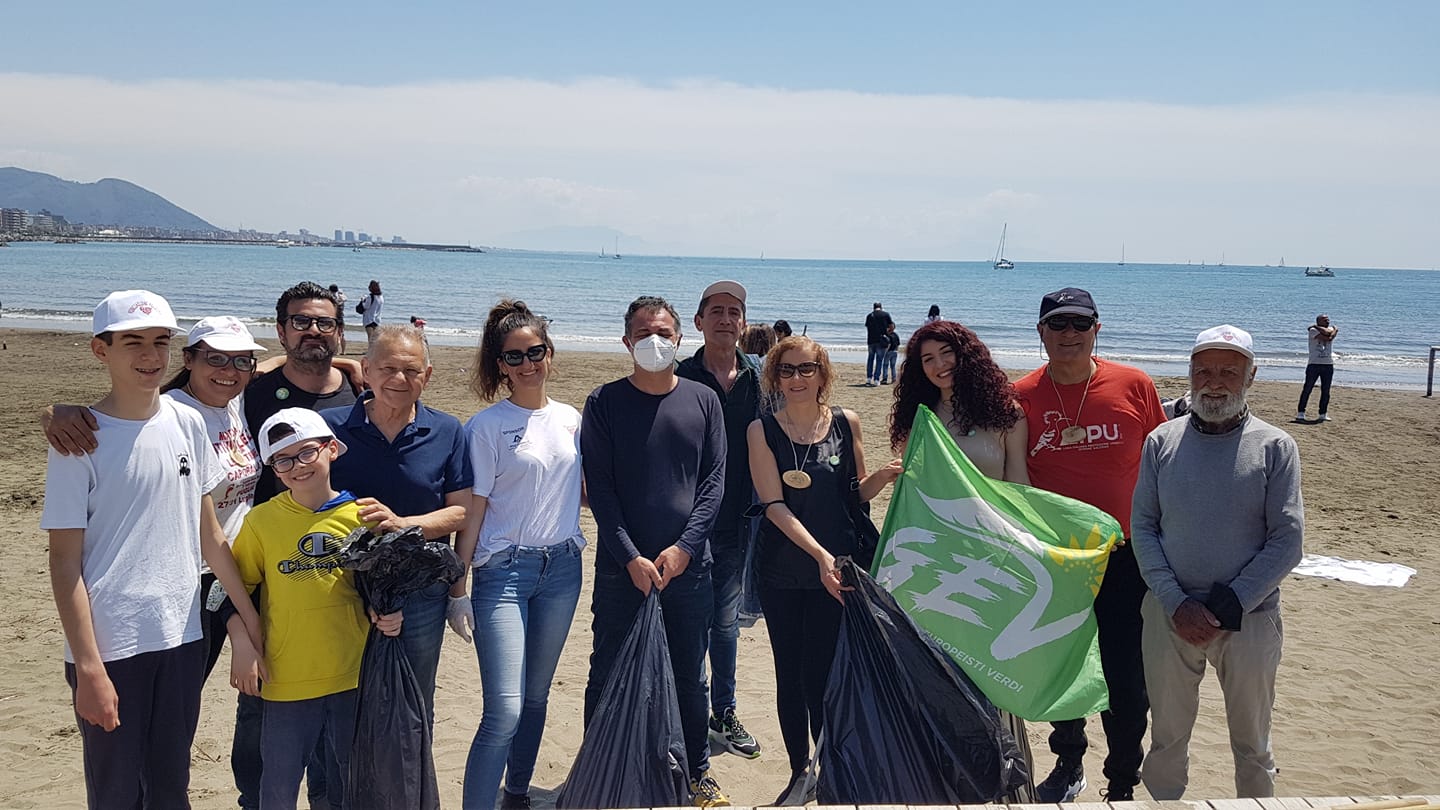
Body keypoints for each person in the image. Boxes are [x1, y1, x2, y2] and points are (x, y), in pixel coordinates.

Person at [40, 290, 262, 810]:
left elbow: (211, 537)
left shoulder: (187, 423)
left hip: (181, 636)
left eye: (160, 342)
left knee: (169, 786)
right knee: (116, 789)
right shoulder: (79, 442)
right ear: (101, 350)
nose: (150, 356)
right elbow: (64, 562)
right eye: (133, 342)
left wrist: (249, 619)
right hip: (112, 644)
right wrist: (89, 668)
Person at [1131, 325, 1303, 799]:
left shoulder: (1276, 446)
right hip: (1170, 614)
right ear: (1189, 374)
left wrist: (1230, 605)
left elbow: (1288, 541)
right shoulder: (1161, 442)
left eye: (1230, 371)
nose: (1214, 382)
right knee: (1166, 739)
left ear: (1251, 376)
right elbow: (1143, 528)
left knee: (1252, 745)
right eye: (1203, 370)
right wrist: (1176, 601)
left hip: (1250, 618)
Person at [1013, 287, 1166, 802]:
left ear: (1097, 329)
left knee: (1125, 678)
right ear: (1041, 334)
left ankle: (1121, 780)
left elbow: (1162, 463)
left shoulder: (1134, 384)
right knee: (1065, 668)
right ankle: (1068, 763)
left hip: (1125, 557)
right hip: (1058, 560)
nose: (1069, 334)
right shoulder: (1021, 396)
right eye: (1058, 325)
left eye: (1080, 324)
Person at [580, 295, 730, 807]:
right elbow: (600, 489)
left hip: (689, 571)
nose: (655, 341)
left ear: (680, 338)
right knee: (608, 671)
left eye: (664, 333)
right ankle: (600, 766)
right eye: (644, 333)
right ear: (626, 342)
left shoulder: (703, 400)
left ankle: (696, 770)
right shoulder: (603, 402)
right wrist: (629, 556)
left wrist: (685, 549)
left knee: (690, 675)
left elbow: (714, 485)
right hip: (622, 571)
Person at [747, 335, 902, 804]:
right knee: (789, 674)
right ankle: (800, 771)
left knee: (824, 674)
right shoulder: (762, 431)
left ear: (823, 373)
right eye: (787, 370)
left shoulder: (845, 422)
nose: (797, 379)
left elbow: (854, 494)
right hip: (785, 569)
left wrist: (885, 476)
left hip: (838, 573)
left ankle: (831, 762)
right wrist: (820, 557)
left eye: (806, 369)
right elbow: (773, 505)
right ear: (774, 376)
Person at [227, 408, 405, 810]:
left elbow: (380, 588)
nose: (297, 467)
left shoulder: (362, 517)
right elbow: (230, 591)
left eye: (306, 453)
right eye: (283, 460)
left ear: (331, 449)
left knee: (351, 782)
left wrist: (391, 614)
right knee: (278, 788)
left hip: (352, 675)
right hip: (286, 680)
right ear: (273, 469)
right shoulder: (260, 522)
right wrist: (240, 642)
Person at [887, 318, 1034, 799]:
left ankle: (1009, 787)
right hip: (936, 562)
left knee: (994, 673)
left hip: (994, 560)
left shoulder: (1006, 415)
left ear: (966, 355)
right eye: (926, 359)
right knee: (944, 674)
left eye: (945, 354)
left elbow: (1020, 491)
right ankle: (946, 785)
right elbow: (913, 494)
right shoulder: (919, 420)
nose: (938, 366)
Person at [449, 300, 586, 810]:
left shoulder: (573, 419)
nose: (528, 364)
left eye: (536, 352)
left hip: (563, 570)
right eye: (514, 357)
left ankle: (519, 794)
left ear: (550, 354)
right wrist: (458, 587)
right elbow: (473, 510)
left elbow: (586, 489)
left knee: (535, 699)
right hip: (502, 575)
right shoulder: (484, 427)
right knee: (503, 709)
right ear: (499, 364)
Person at [321, 323, 472, 728]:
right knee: (341, 702)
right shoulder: (328, 427)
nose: (399, 379)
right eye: (388, 369)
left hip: (419, 589)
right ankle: (335, 792)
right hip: (340, 586)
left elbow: (460, 512)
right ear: (366, 371)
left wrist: (403, 524)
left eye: (411, 370)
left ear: (428, 375)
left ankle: (410, 784)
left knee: (413, 701)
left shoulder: (447, 430)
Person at [676, 280, 764, 762]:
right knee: (688, 625)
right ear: (699, 321)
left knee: (725, 626)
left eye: (735, 312)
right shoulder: (679, 375)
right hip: (684, 526)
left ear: (744, 323)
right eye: (717, 311)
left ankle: (723, 712)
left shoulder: (758, 378)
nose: (726, 319)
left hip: (737, 525)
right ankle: (685, 712)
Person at [162, 316, 268, 680]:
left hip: (230, 572)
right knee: (178, 689)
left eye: (242, 360)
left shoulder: (234, 401)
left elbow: (270, 365)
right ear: (188, 359)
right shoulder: (171, 413)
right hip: (186, 575)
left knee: (191, 689)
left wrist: (348, 363)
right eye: (216, 358)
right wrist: (61, 415)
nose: (229, 370)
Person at [1297, 313, 1338, 422]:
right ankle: (1301, 412)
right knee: (1308, 388)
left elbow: (1330, 334)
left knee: (1326, 390)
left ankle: (1323, 413)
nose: (1328, 321)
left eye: (1328, 319)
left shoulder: (1319, 328)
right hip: (1314, 364)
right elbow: (1327, 336)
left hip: (1328, 364)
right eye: (1325, 320)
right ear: (1319, 321)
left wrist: (1333, 330)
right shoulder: (1313, 331)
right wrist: (1334, 330)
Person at [864, 302, 894, 387]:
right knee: (879, 360)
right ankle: (877, 379)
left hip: (871, 340)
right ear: (881, 307)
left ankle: (869, 378)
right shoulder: (885, 315)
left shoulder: (870, 316)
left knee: (870, 359)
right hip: (881, 340)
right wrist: (888, 332)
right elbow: (891, 326)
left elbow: (867, 327)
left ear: (873, 308)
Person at [359, 279, 384, 345]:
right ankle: (374, 349)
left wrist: (362, 300)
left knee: (370, 337)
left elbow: (366, 306)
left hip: (369, 319)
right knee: (375, 337)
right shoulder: (381, 297)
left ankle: (371, 350)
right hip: (377, 319)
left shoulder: (370, 297)